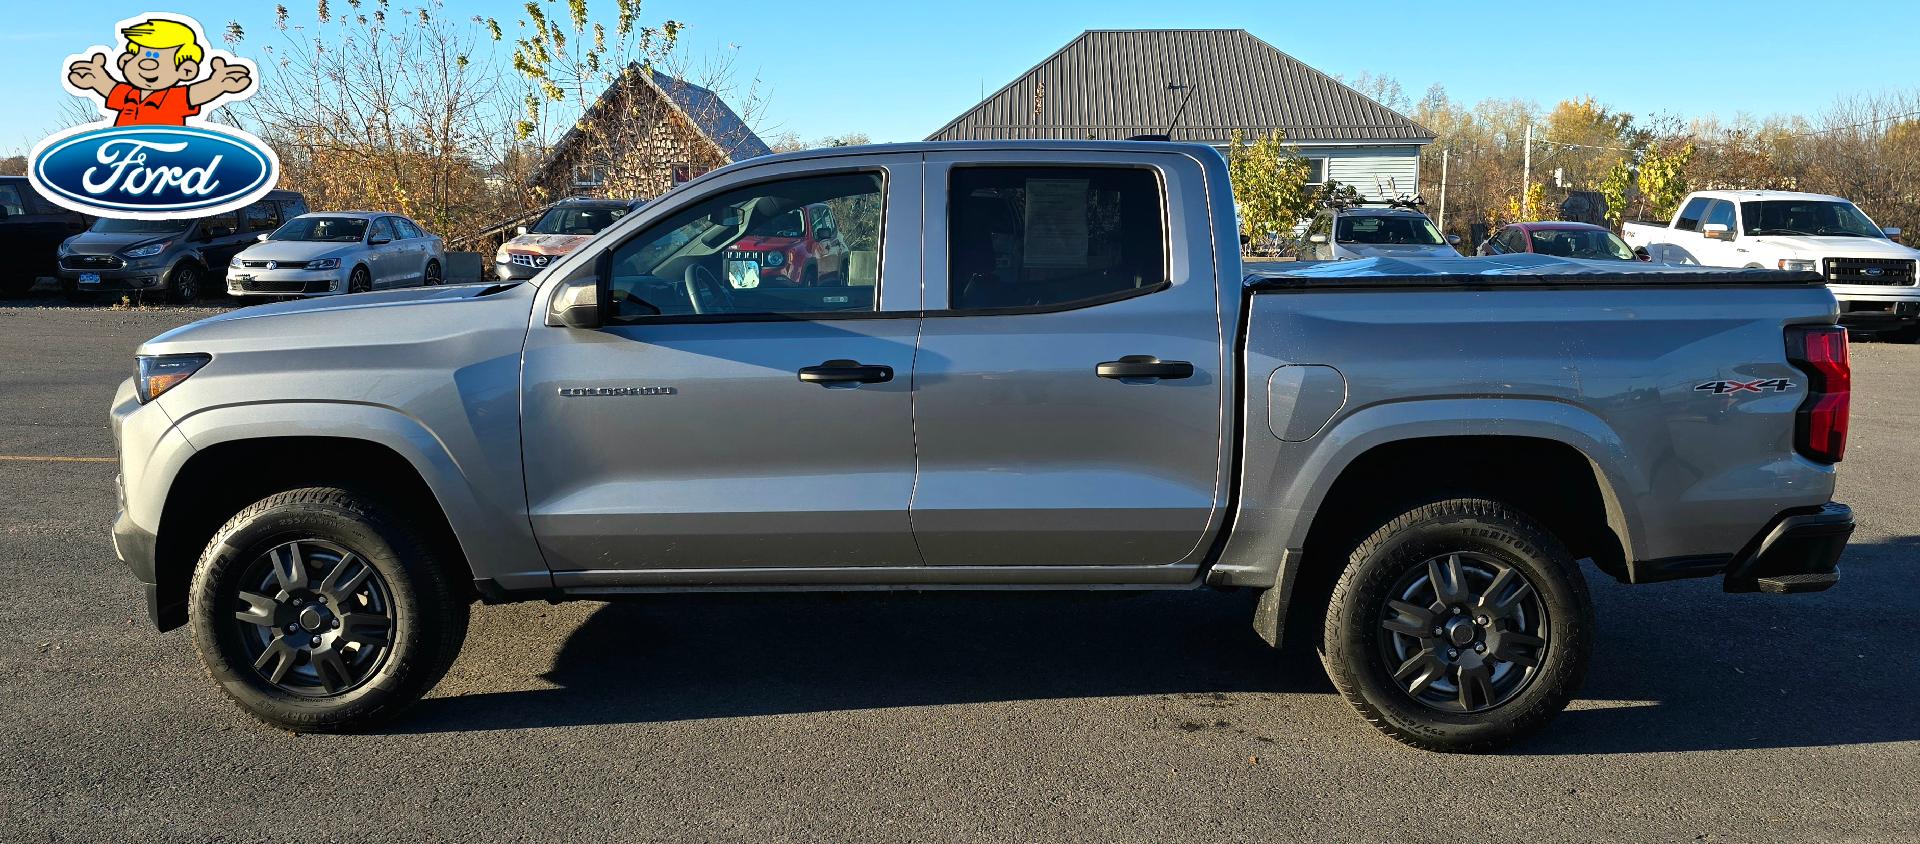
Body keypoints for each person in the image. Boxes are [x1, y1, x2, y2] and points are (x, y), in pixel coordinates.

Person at [65, 18, 254, 127]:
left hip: (166, 162)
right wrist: (96, 77)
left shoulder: (174, 98)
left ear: (186, 70)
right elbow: (108, 87)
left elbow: (197, 94)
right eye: (141, 54)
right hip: (122, 162)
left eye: (157, 57)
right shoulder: (127, 94)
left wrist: (219, 83)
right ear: (124, 61)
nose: (147, 63)